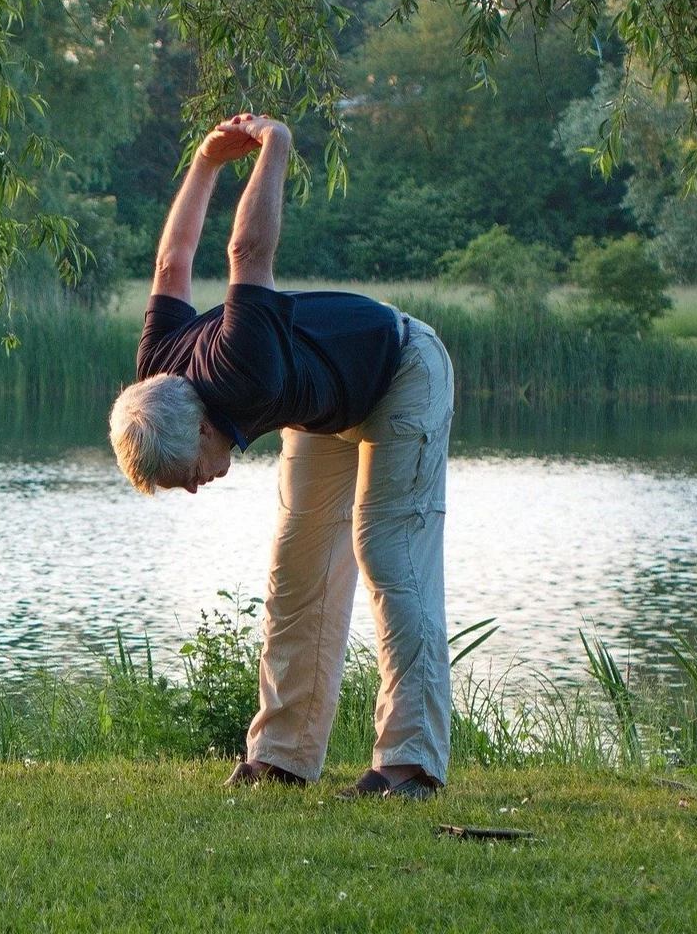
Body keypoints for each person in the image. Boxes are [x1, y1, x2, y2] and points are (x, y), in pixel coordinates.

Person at [108, 113, 455, 799]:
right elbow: (172, 263)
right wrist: (205, 163)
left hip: (403, 370)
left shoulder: (243, 369)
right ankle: (282, 756)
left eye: (187, 479)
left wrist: (276, 147)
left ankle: (410, 764)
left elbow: (247, 254)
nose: (197, 489)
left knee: (388, 554)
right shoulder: (157, 370)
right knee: (296, 571)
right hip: (324, 403)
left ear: (203, 431)